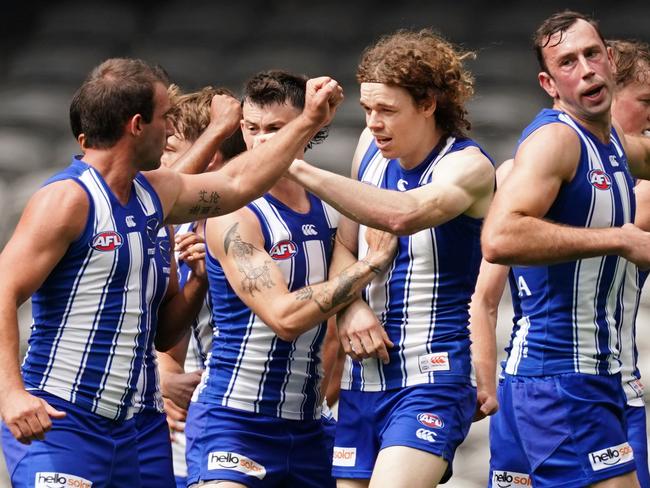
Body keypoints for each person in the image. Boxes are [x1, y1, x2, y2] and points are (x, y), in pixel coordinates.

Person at [0, 57, 343, 487]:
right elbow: (3, 290)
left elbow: (239, 185)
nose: (170, 131)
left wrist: (307, 122)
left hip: (138, 428)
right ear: (138, 125)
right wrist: (10, 393)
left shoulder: (154, 196)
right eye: (165, 118)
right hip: (63, 418)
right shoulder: (68, 199)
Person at [286, 29, 495, 487]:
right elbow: (345, 243)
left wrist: (293, 163)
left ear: (428, 104)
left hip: (432, 380)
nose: (375, 122)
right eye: (367, 110)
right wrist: (352, 308)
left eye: (387, 110)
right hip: (364, 381)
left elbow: (404, 214)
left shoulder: (467, 166)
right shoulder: (370, 150)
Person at [184, 69, 398, 488]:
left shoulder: (330, 206)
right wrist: (370, 265)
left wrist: (353, 309)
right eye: (252, 129)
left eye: (275, 128)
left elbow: (342, 275)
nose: (262, 140)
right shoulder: (234, 213)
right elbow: (284, 317)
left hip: (309, 427)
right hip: (234, 420)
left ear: (308, 129)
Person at [481, 12, 650, 488]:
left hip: (563, 379)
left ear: (611, 60)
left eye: (592, 54)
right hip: (561, 379)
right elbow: (500, 239)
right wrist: (620, 238)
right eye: (568, 62)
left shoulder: (612, 141)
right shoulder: (555, 140)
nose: (587, 69)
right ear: (549, 82)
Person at [156, 84, 247, 488]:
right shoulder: (175, 229)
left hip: (254, 415)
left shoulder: (254, 223)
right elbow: (161, 328)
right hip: (189, 426)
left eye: (170, 149)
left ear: (208, 156)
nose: (160, 162)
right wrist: (165, 374)